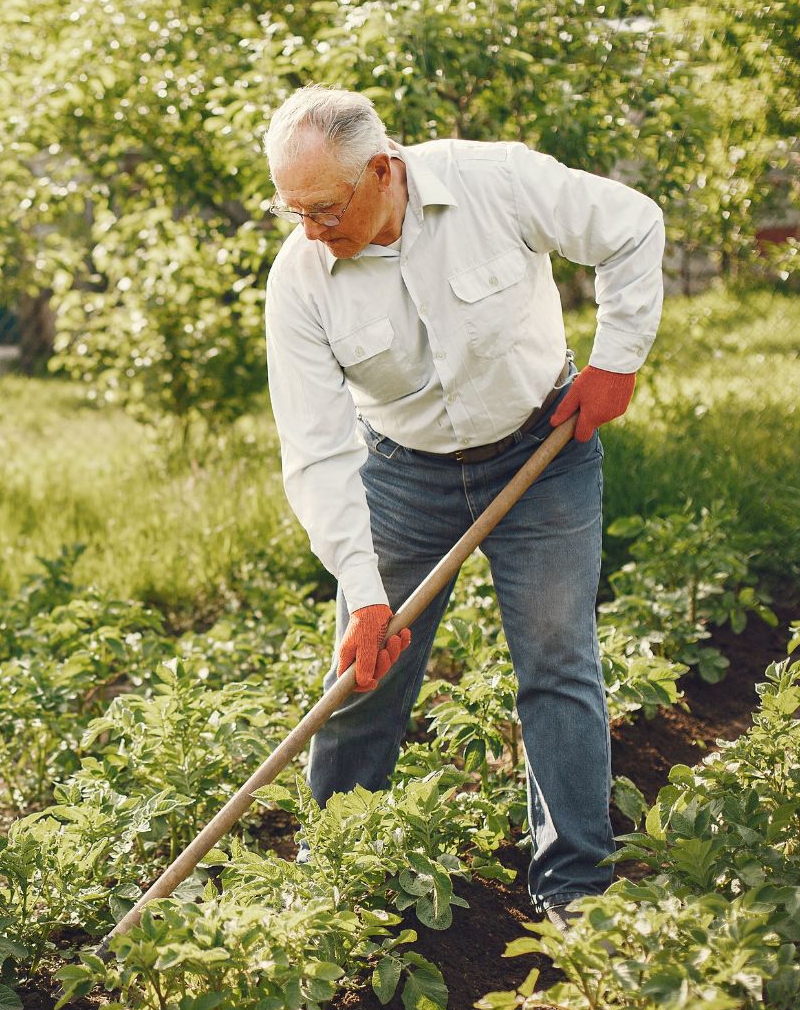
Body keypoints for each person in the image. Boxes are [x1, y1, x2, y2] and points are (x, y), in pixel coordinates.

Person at [261, 86, 664, 928]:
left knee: (557, 662)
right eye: (291, 210)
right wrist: (365, 590)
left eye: (324, 209)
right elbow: (318, 448)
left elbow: (632, 225)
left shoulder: (494, 182)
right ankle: (334, 875)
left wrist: (617, 360)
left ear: (382, 170)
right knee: (365, 675)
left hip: (540, 450)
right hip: (401, 475)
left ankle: (576, 886)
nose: (309, 230)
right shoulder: (300, 279)